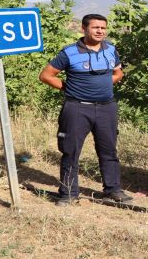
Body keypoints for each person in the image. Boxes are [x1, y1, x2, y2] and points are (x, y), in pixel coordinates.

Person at [39, 14, 132, 206]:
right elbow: (46, 75)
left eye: (103, 28)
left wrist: (106, 83)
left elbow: (118, 73)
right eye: (95, 27)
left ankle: (112, 190)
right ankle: (68, 193)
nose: (100, 31)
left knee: (109, 151)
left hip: (107, 108)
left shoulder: (111, 50)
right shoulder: (69, 52)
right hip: (77, 108)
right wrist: (69, 88)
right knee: (71, 152)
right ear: (84, 28)